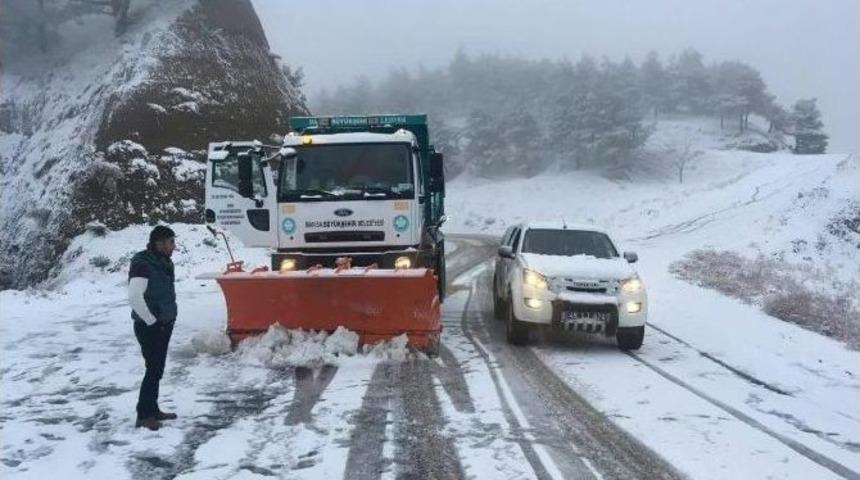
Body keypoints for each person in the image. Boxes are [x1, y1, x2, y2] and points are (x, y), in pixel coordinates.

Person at [128, 225, 179, 431]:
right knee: (153, 370)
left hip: (163, 324)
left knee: (157, 369)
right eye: (171, 242)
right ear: (159, 243)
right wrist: (152, 321)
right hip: (150, 326)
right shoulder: (143, 263)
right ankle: (143, 414)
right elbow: (134, 297)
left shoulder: (162, 261)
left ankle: (153, 408)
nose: (174, 246)